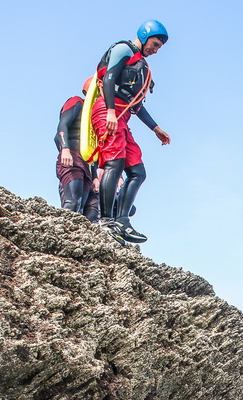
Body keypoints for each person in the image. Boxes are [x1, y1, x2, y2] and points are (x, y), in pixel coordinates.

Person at [91, 19, 171, 244]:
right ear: (145, 36)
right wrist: (108, 112)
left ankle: (122, 221)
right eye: (154, 45)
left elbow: (136, 104)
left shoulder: (143, 67)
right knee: (114, 163)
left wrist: (156, 128)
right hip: (108, 111)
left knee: (138, 171)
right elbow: (109, 78)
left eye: (158, 48)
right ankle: (106, 222)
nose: (155, 51)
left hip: (123, 117)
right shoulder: (123, 49)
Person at [55, 77, 99, 221]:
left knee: (82, 210)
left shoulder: (94, 117)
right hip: (72, 155)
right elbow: (62, 126)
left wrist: (94, 177)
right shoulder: (76, 101)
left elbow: (94, 149)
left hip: (86, 163)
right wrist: (65, 149)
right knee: (72, 203)